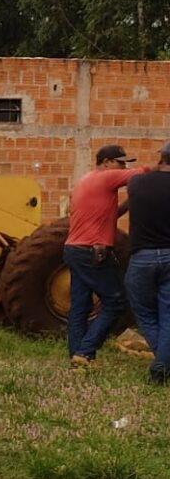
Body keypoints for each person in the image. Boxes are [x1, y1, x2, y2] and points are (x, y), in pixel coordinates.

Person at [63, 145, 145, 367]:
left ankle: (78, 357)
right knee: (116, 301)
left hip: (74, 249)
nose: (123, 167)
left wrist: (131, 202)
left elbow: (111, 214)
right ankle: (86, 350)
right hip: (92, 252)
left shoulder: (85, 181)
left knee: (80, 306)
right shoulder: (105, 178)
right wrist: (162, 166)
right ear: (107, 162)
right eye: (120, 162)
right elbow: (143, 173)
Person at [126, 143, 170, 384]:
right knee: (168, 315)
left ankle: (161, 364)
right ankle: (162, 364)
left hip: (142, 257)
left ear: (162, 158)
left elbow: (142, 176)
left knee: (144, 311)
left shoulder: (137, 183)